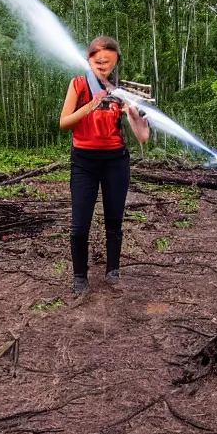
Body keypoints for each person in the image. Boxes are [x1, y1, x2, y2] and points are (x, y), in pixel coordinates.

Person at [60, 36, 150, 294]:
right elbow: (64, 123)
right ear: (89, 59)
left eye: (108, 62)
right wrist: (91, 104)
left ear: (115, 63)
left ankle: (113, 270)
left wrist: (134, 115)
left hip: (115, 163)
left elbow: (143, 137)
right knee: (79, 226)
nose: (102, 65)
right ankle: (80, 277)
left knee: (114, 220)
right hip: (83, 164)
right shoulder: (78, 85)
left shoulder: (122, 93)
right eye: (98, 60)